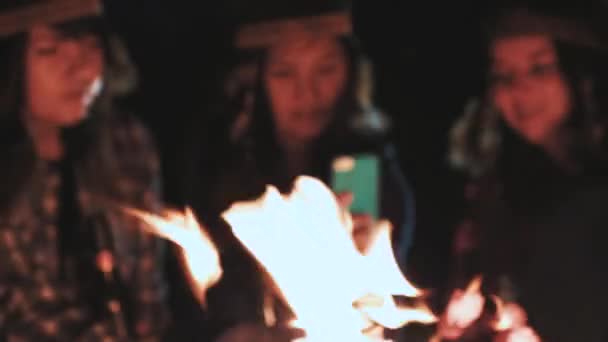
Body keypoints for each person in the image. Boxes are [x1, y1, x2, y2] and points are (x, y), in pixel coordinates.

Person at [186, 0, 415, 340]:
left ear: (350, 73)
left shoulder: (366, 176)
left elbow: (383, 312)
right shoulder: (219, 172)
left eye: (325, 70)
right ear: (256, 79)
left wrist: (365, 264)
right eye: (285, 73)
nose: (307, 93)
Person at [0, 0, 169, 339]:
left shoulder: (125, 144)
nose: (81, 70)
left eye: (91, 47)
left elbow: (148, 292)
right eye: (50, 51)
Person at [442, 7, 608, 341]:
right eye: (503, 75)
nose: (520, 90)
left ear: (582, 74)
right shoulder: (500, 190)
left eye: (540, 68)